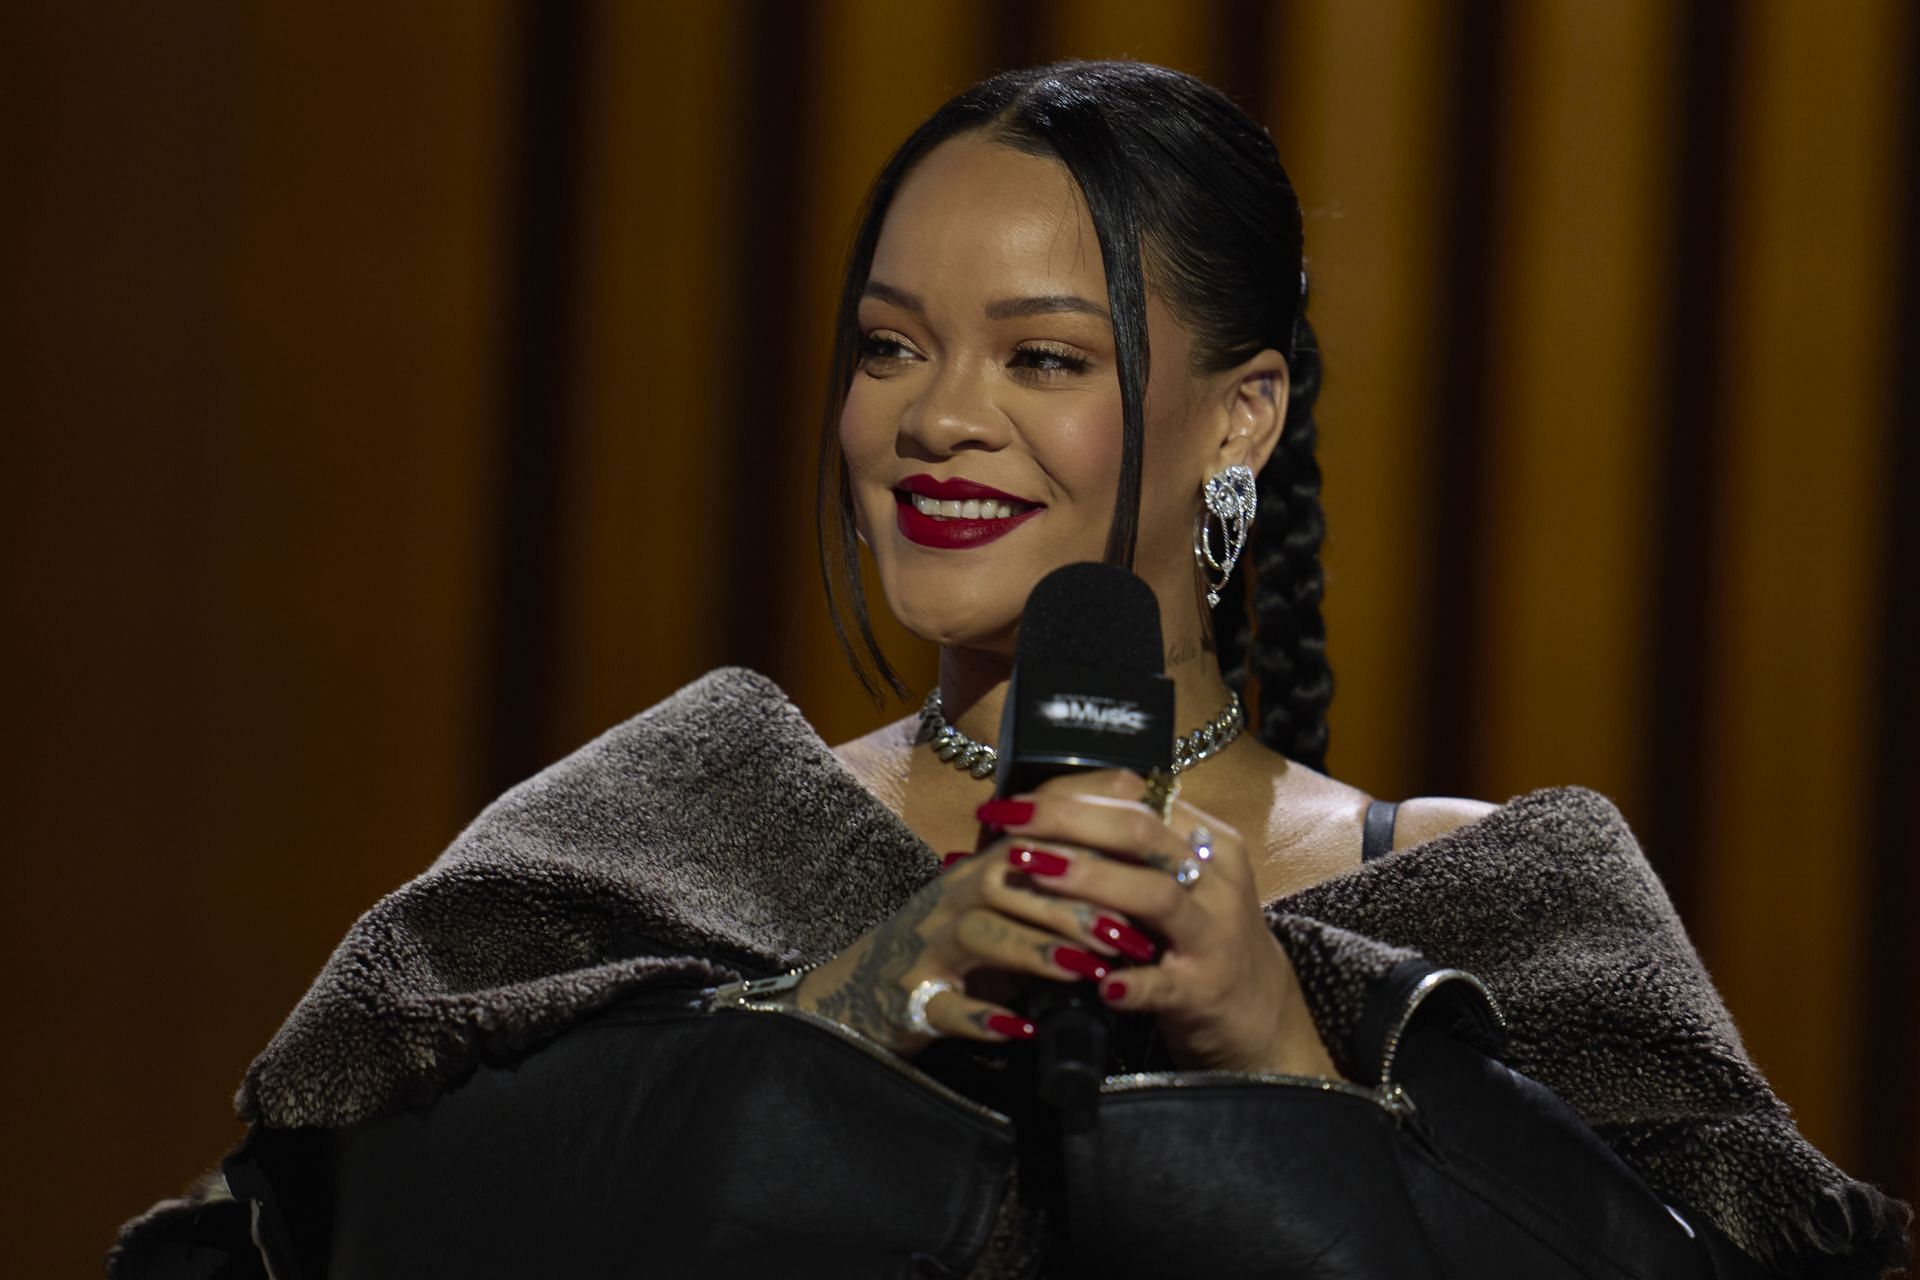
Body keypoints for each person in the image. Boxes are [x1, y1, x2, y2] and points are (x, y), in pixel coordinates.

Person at [113, 60, 1908, 1279]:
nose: (939, 419)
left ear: (1243, 415)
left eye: (1044, 357)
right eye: (890, 346)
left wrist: (1288, 1056)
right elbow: (306, 1220)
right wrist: (842, 1007)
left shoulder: (1485, 897)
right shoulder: (666, 826)